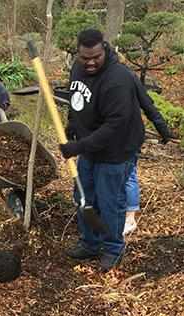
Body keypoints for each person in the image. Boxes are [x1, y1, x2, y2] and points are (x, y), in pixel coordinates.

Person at [60, 28, 144, 271]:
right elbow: (77, 99)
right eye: (85, 57)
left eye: (96, 56)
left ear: (104, 49)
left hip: (117, 150)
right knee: (83, 198)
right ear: (78, 53)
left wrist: (78, 146)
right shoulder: (78, 68)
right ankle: (89, 244)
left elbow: (114, 127)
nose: (91, 62)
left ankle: (114, 249)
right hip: (91, 148)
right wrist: (72, 124)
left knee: (110, 202)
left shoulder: (116, 79)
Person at [123, 75, 172, 235]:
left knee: (129, 175)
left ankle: (130, 219)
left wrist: (163, 130)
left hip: (130, 135)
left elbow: (148, 105)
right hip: (111, 136)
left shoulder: (127, 77)